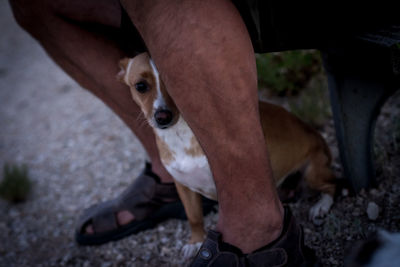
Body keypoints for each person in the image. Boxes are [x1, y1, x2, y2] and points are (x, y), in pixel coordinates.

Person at [8, 0, 328, 265]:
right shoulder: (134, 79)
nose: (159, 106)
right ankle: (170, 169)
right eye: (143, 88)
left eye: (171, 86)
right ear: (124, 75)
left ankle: (255, 220)